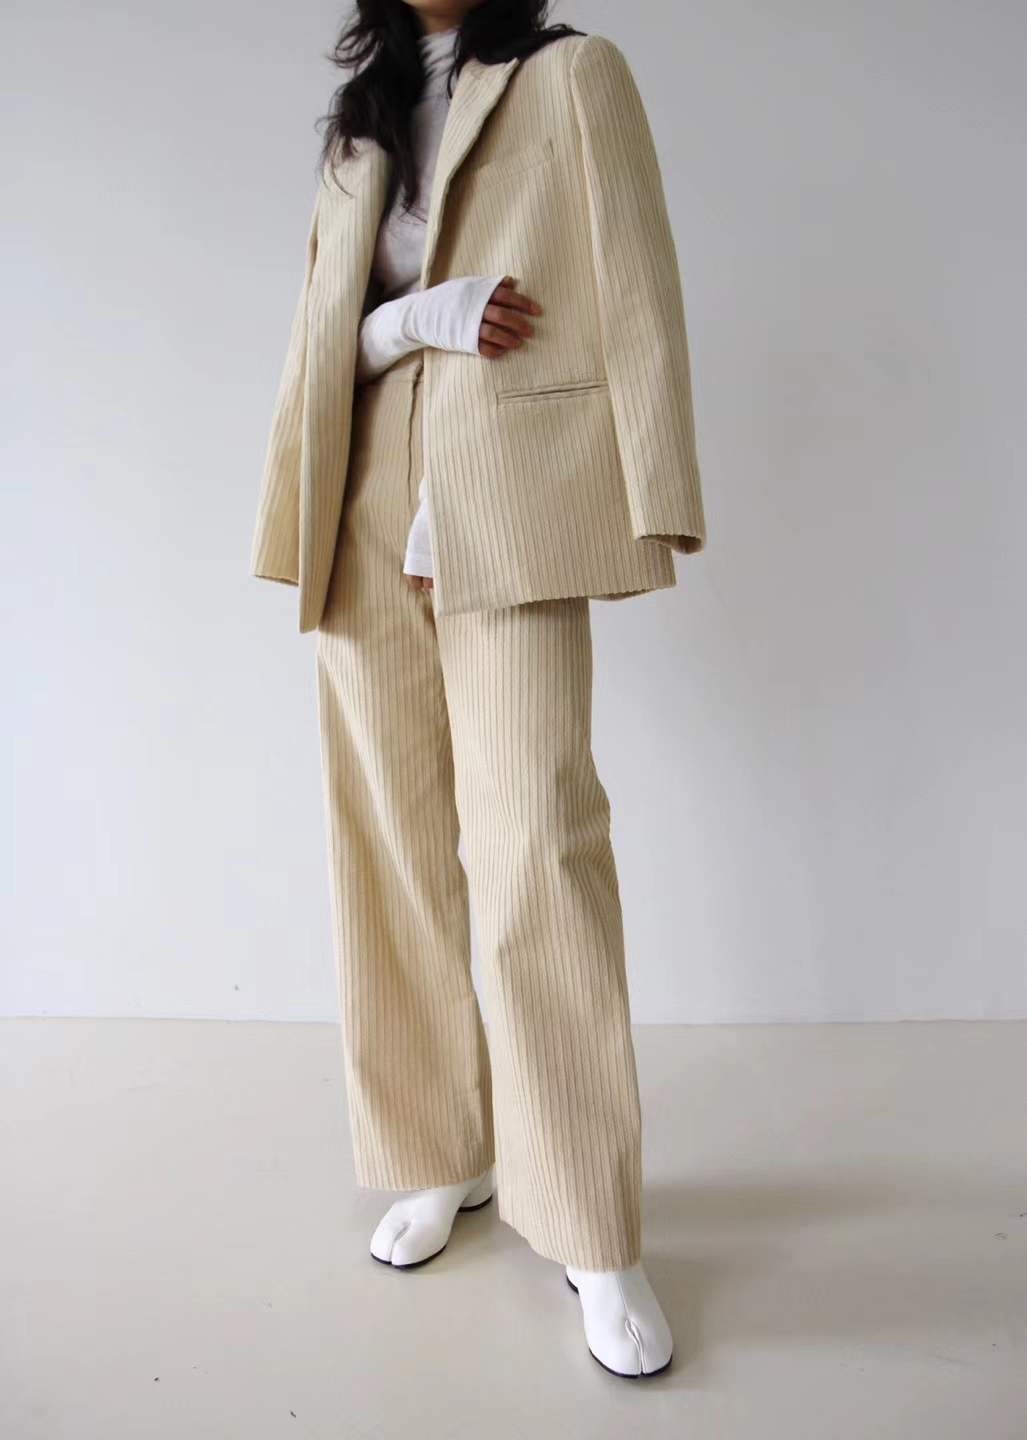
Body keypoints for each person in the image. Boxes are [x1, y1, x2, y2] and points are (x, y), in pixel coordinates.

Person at [251, 0, 706, 1379]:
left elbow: (635, 281)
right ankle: (440, 1149)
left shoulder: (573, 75)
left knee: (538, 845)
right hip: (362, 500)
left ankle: (590, 1224)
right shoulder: (359, 130)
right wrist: (414, 324)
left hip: (506, 501)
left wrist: (658, 494)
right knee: (393, 845)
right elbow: (325, 333)